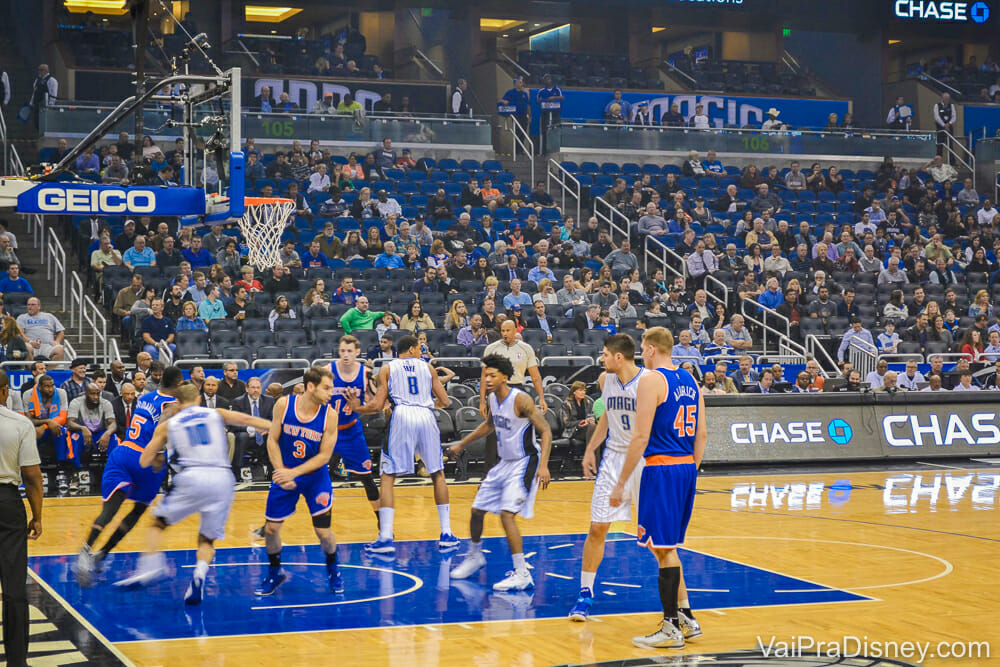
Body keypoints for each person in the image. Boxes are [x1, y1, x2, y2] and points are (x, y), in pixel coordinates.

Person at [567, 334, 699, 634]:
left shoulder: (649, 381)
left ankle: (683, 609)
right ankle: (585, 593)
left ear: (618, 356)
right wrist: (591, 448)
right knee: (597, 527)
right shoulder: (605, 380)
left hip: (645, 460)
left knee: (659, 545)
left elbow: (647, 431)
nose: (601, 359)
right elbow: (608, 419)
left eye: (604, 354)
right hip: (613, 459)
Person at [112, 384, 270, 604]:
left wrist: (159, 455)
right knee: (206, 540)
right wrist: (274, 427)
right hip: (223, 479)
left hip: (192, 476)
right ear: (198, 400)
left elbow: (143, 460)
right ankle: (199, 575)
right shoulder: (217, 413)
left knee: (157, 524)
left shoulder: (168, 425)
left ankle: (151, 566)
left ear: (177, 403)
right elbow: (248, 421)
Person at [607, 327, 705, 649]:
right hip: (687, 466)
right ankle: (686, 617)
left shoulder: (651, 379)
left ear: (649, 349)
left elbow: (640, 436)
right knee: (665, 546)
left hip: (661, 467)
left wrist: (621, 482)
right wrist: (691, 469)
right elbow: (701, 435)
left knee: (662, 549)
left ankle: (670, 627)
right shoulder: (691, 380)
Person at [446, 354, 552, 590]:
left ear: (505, 377)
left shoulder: (521, 400)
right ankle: (475, 556)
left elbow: (545, 432)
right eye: (486, 375)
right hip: (503, 463)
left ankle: (522, 573)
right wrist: (462, 443)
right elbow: (489, 425)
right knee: (476, 511)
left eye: (493, 375)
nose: (488, 379)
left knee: (506, 515)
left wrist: (544, 465)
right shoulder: (493, 398)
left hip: (524, 462)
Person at [347, 335, 456, 554]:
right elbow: (445, 402)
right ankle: (447, 534)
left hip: (402, 415)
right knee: (438, 473)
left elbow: (378, 405)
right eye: (420, 348)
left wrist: (357, 407)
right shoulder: (428, 368)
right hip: (426, 415)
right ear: (413, 349)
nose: (421, 351)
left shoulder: (387, 369)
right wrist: (425, 405)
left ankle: (386, 537)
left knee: (388, 476)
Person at [75, 367, 183, 585]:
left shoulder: (146, 396)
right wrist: (162, 453)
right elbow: (163, 423)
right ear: (178, 384)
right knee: (137, 510)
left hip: (123, 453)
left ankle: (86, 553)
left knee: (109, 510)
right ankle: (103, 554)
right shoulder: (172, 403)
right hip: (147, 459)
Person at [255, 366, 342, 596]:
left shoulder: (330, 415)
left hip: (315, 478)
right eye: (326, 388)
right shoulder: (284, 405)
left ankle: (333, 569)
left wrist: (294, 473)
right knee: (271, 529)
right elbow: (272, 441)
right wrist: (281, 471)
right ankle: (275, 572)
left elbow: (324, 456)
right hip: (285, 472)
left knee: (323, 533)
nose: (330, 393)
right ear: (310, 387)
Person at [0, 369, 42, 666]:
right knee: (14, 587)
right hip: (6, 503)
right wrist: (37, 516)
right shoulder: (19, 423)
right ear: (5, 391)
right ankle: (17, 660)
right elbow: (32, 476)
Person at [329, 336, 381, 529]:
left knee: (366, 477)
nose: (345, 355)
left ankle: (382, 525)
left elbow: (377, 406)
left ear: (358, 352)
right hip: (329, 432)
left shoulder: (366, 374)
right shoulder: (328, 371)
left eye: (350, 351)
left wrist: (358, 407)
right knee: (307, 474)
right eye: (342, 351)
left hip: (351, 431)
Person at [230, 377, 275, 479]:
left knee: (273, 436)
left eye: (258, 388)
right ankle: (237, 473)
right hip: (247, 435)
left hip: (264, 435)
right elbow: (234, 425)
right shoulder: (238, 402)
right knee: (242, 436)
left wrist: (267, 429)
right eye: (253, 387)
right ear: (247, 389)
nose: (256, 390)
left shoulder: (269, 401)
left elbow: (273, 421)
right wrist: (254, 429)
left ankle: (272, 473)